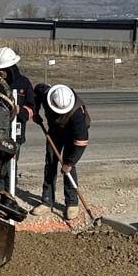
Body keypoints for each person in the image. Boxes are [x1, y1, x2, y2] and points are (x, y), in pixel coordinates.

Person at [30, 83, 90, 221]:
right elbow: (35, 96)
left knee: (69, 168)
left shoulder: (77, 114)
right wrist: (35, 112)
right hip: (54, 132)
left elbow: (81, 143)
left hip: (72, 135)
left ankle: (72, 203)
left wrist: (69, 162)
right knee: (50, 163)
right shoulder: (46, 94)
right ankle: (47, 201)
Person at [0, 47, 34, 188]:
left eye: (4, 69)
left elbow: (31, 109)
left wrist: (20, 110)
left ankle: (10, 189)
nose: (1, 72)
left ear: (11, 68)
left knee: (11, 162)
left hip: (15, 131)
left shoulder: (24, 83)